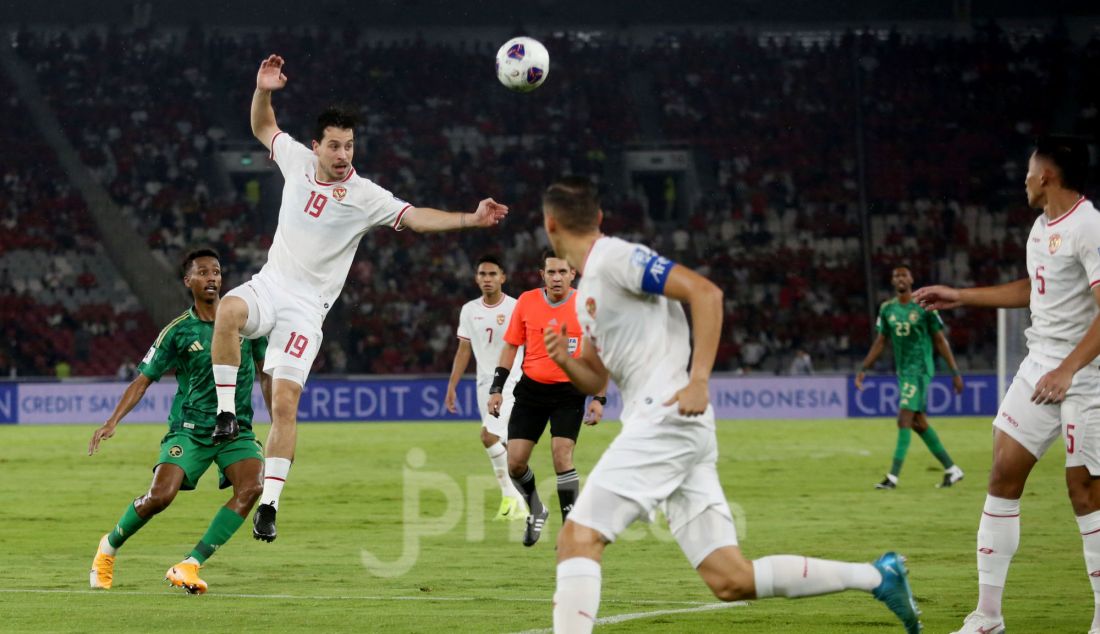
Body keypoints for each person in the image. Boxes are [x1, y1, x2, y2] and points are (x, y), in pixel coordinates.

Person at [539, 177, 921, 634]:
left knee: (577, 537)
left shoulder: (616, 257)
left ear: (550, 225)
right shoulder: (590, 291)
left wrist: (699, 379)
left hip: (666, 417)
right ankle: (879, 575)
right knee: (730, 578)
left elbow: (706, 293)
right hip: (674, 426)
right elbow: (597, 377)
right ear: (597, 216)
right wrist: (565, 359)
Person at [211, 54, 508, 542]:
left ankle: (269, 504)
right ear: (317, 146)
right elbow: (264, 125)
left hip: (307, 311)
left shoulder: (366, 195)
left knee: (283, 406)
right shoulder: (297, 161)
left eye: (349, 145)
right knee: (227, 311)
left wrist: (470, 219)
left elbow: (416, 217)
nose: (343, 154)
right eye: (334, 145)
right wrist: (264, 89)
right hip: (270, 284)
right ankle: (226, 415)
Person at [915, 136, 1100, 634]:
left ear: (1048, 175)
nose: (1023, 178)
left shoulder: (1090, 227)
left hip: (1085, 378)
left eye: (1029, 169)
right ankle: (988, 617)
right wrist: (961, 296)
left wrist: (1068, 371)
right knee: (1002, 472)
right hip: (1040, 364)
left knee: (1083, 490)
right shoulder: (1041, 228)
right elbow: (1031, 289)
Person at [88, 248, 271, 594]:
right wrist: (112, 421)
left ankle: (189, 564)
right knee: (160, 496)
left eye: (216, 272)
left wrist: (280, 419)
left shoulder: (247, 326)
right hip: (190, 431)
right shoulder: (177, 332)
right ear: (188, 281)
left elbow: (265, 373)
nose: (212, 278)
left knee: (252, 488)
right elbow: (143, 379)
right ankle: (108, 547)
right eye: (202, 273)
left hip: (236, 431)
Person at [486, 251, 605, 547]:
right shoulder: (527, 301)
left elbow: (601, 354)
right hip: (531, 390)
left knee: (561, 455)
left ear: (572, 274)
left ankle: (571, 531)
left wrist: (599, 398)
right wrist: (497, 387)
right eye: (551, 272)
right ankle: (536, 508)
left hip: (569, 391)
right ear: (542, 275)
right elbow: (511, 345)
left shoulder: (585, 306)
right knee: (514, 464)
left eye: (562, 272)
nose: (556, 278)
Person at [856, 265, 966, 489]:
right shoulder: (887, 309)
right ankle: (952, 469)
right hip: (904, 371)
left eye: (904, 274)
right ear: (892, 281)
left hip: (920, 369)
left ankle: (892, 478)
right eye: (896, 275)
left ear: (911, 278)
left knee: (904, 419)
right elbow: (880, 342)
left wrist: (954, 372)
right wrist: (864, 368)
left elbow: (939, 340)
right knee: (918, 422)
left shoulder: (924, 307)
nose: (900, 278)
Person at [444, 254, 527, 521]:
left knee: (487, 437)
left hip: (511, 383)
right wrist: (452, 386)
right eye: (482, 274)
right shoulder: (469, 310)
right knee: (503, 444)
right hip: (484, 385)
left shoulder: (516, 307)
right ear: (476, 279)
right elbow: (463, 350)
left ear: (503, 277)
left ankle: (511, 497)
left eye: (492, 274)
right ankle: (519, 501)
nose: (487, 279)